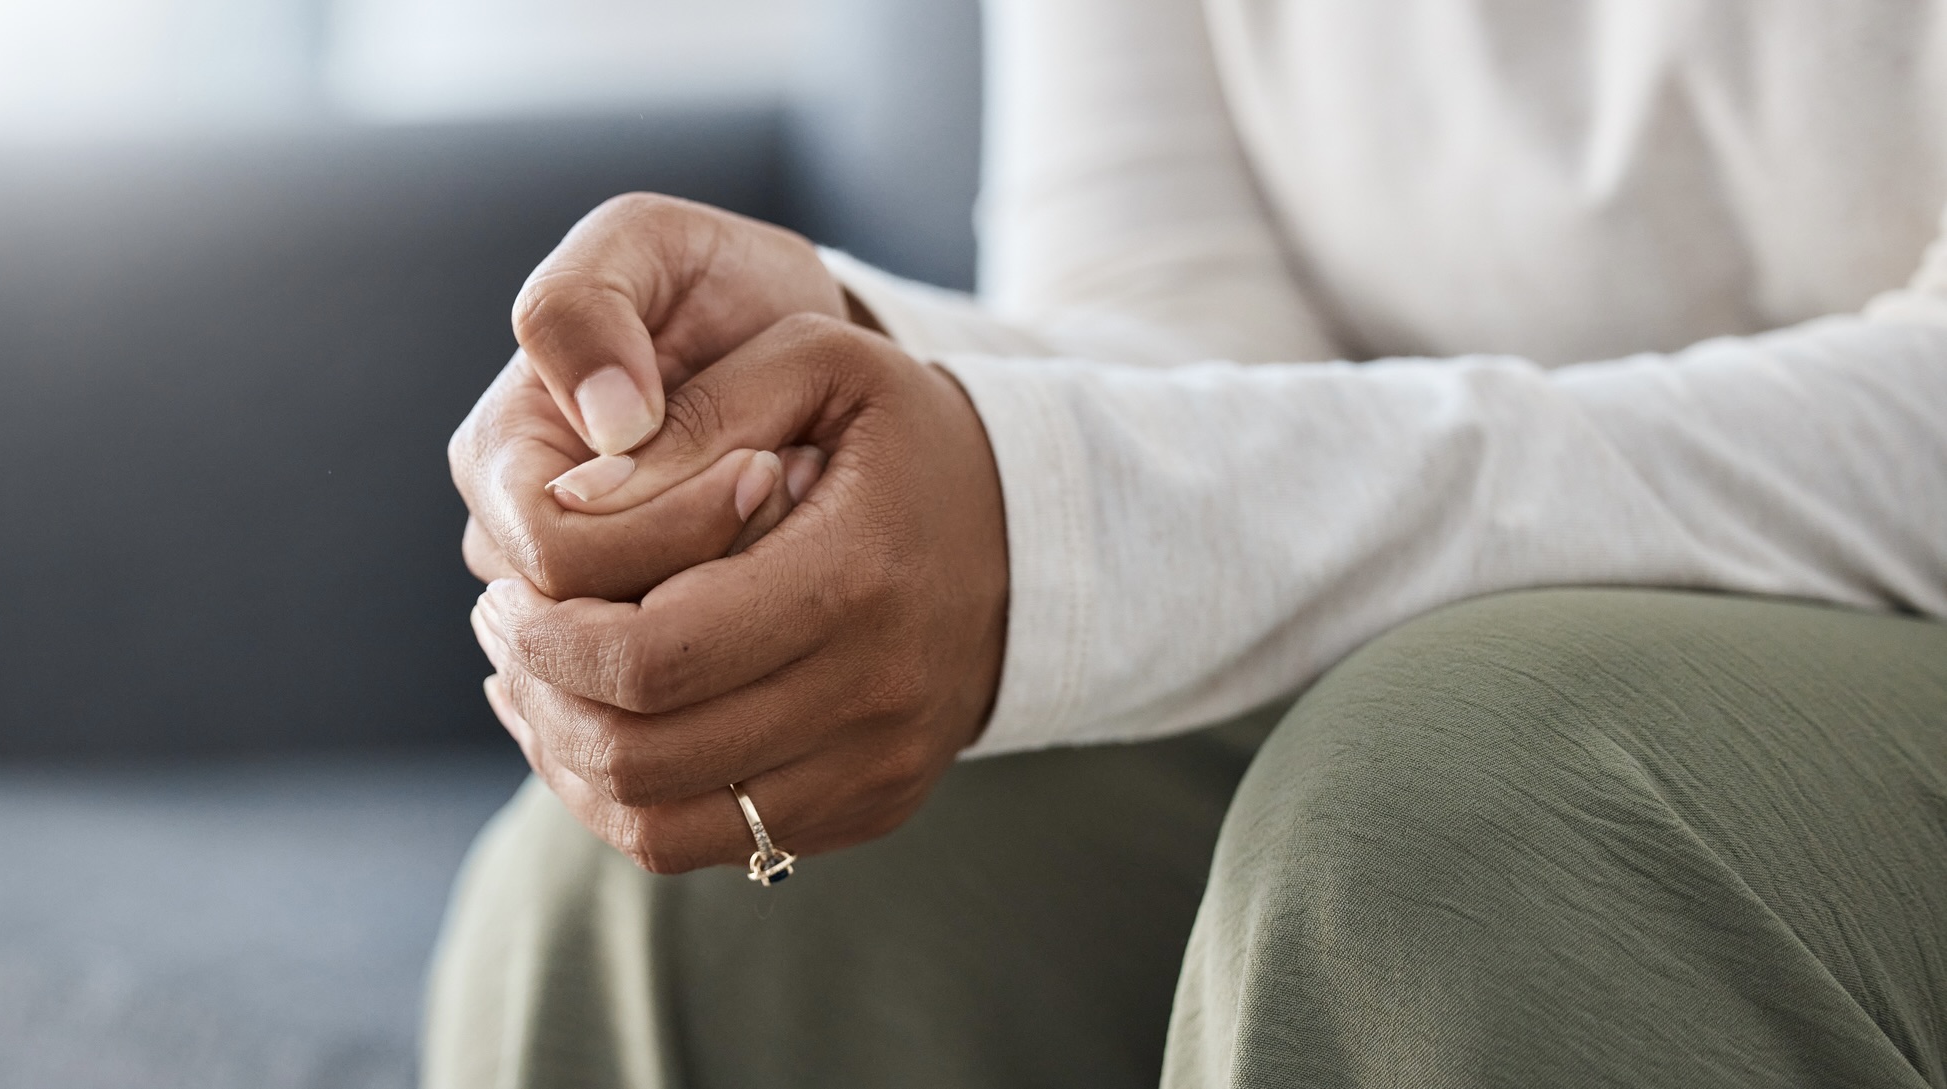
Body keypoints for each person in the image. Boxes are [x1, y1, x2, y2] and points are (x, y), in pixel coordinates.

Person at [425, 1, 1947, 1085]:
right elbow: (1183, 327)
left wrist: (1056, 510)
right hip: (1436, 629)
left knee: (1457, 825)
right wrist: (855, 390)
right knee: (692, 887)